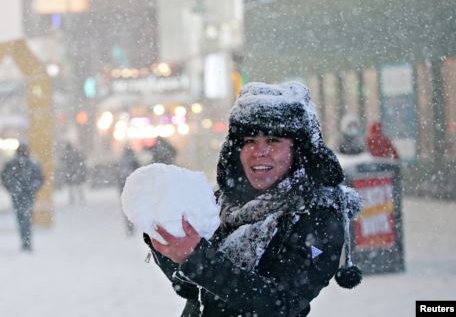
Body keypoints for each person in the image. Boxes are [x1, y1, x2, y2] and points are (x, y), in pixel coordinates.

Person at [145, 82, 363, 317]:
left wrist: (197, 258)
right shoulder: (221, 204)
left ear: (298, 150)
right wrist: (163, 235)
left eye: (273, 141)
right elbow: (190, 288)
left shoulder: (317, 217)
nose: (259, 151)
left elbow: (280, 303)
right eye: (249, 141)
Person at [0, 143, 44, 251]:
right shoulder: (32, 164)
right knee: (25, 217)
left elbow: (3, 177)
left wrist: (11, 188)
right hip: (25, 194)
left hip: (20, 194)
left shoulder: (12, 164)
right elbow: (39, 178)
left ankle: (25, 239)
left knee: (22, 217)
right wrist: (32, 188)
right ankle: (26, 239)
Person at [117, 145, 140, 236]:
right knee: (134, 207)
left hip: (123, 187)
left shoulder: (122, 160)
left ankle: (129, 226)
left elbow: (118, 174)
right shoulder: (134, 161)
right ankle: (134, 224)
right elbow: (139, 173)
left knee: (126, 208)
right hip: (132, 187)